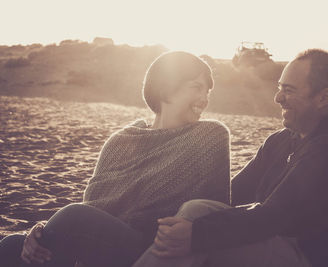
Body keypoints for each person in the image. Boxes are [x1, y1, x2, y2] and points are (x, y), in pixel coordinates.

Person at [133, 49, 328, 267]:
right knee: (196, 210)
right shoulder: (282, 141)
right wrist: (169, 220)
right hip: (271, 240)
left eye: (289, 90)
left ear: (323, 99)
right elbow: (231, 194)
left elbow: (275, 216)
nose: (278, 98)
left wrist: (196, 234)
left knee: (195, 227)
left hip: (306, 257)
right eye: (280, 88)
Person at [0, 51, 231, 267]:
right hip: (97, 239)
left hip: (151, 247)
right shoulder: (121, 141)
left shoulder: (210, 136)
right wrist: (42, 231)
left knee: (74, 218)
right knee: (12, 245)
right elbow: (93, 205)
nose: (204, 98)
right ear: (166, 89)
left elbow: (217, 209)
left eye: (208, 91)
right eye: (197, 87)